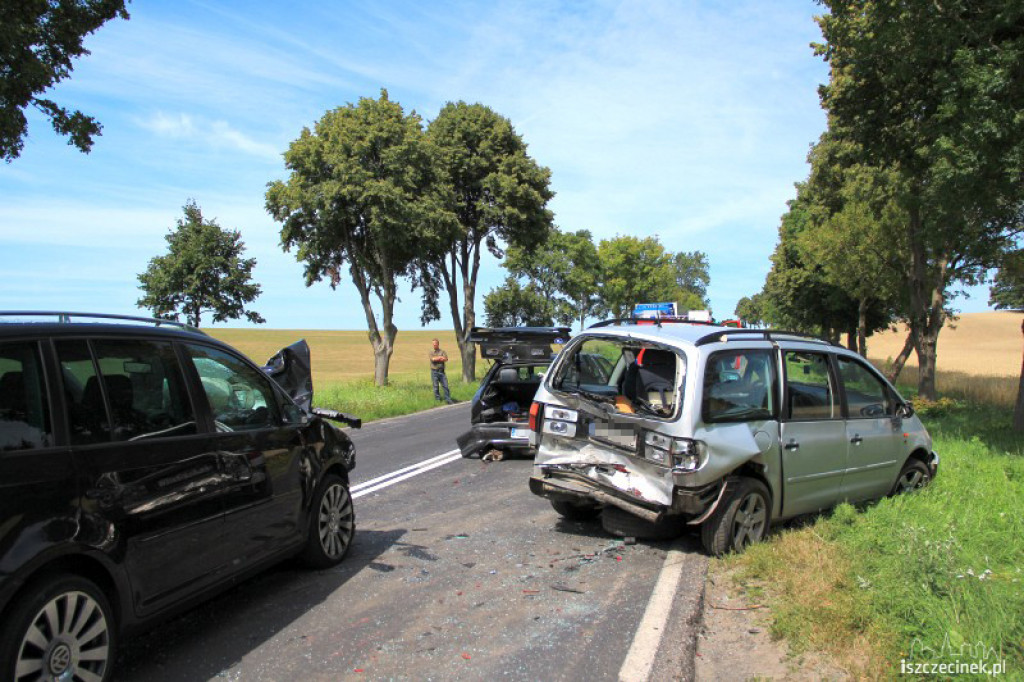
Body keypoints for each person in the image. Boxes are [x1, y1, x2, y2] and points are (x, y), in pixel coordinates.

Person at [429, 338, 455, 404]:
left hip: (442, 372)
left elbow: (445, 359)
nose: (434, 345)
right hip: (434, 371)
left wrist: (438, 358)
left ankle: (448, 399)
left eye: (435, 344)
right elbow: (433, 359)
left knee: (445, 386)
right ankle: (438, 400)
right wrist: (440, 358)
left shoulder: (442, 351)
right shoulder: (431, 352)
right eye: (433, 344)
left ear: (438, 344)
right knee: (436, 387)